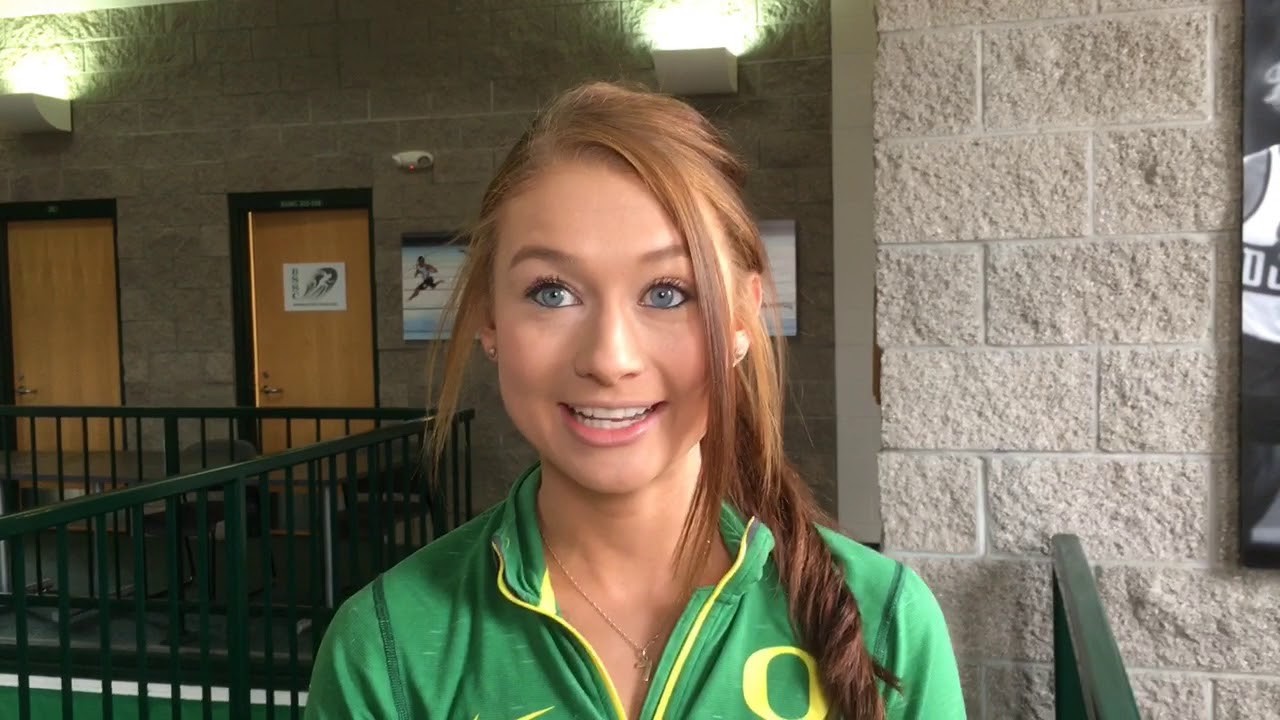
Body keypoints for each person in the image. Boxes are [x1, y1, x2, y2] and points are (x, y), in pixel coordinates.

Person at [304, 81, 965, 720]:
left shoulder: (885, 622)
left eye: (667, 293)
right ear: (490, 319)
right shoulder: (387, 648)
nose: (609, 358)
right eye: (552, 293)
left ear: (742, 320)